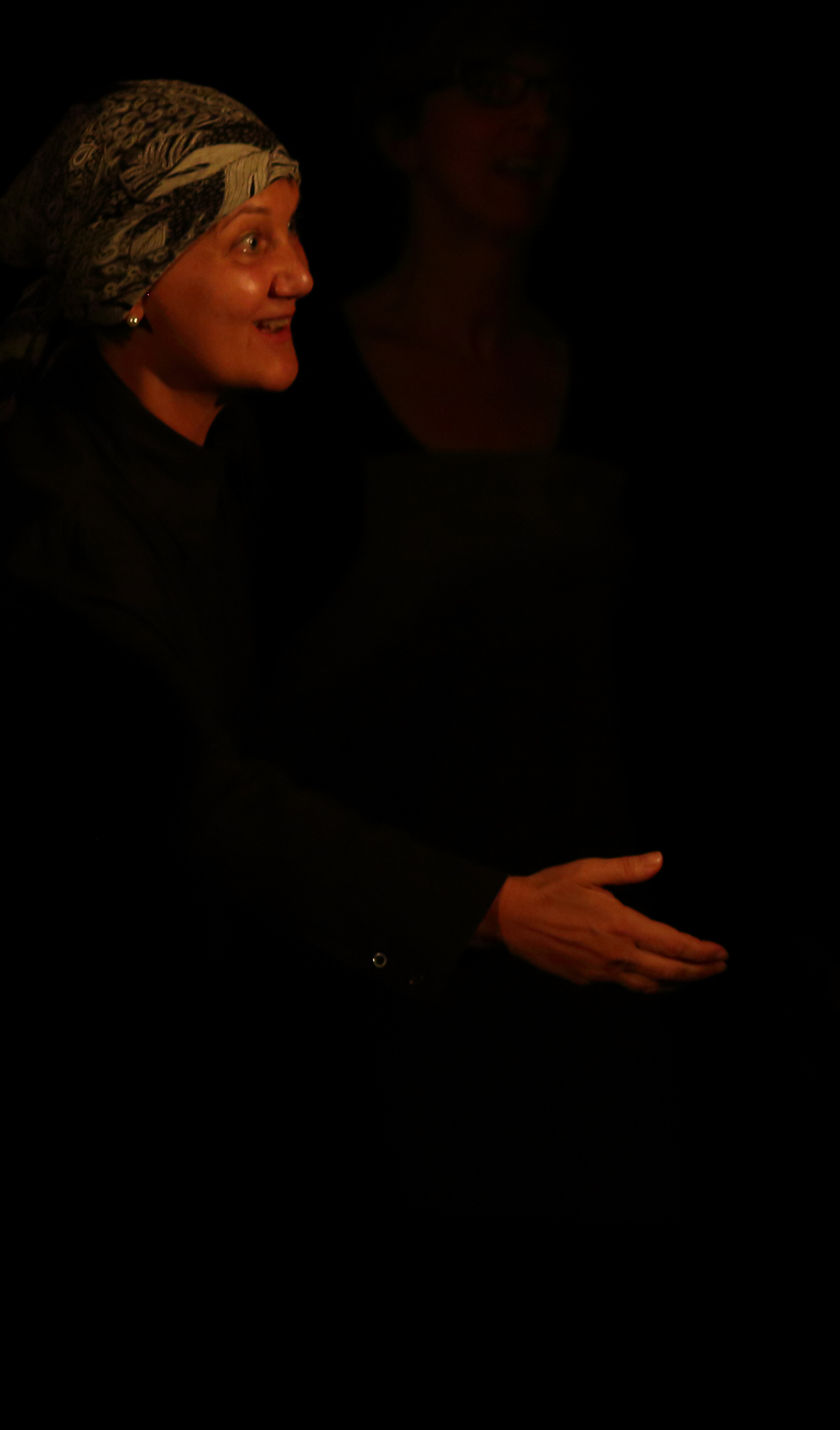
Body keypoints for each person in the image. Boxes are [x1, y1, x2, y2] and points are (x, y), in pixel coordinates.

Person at [0, 81, 725, 1239]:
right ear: (131, 276)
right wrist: (493, 909)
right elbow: (194, 796)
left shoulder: (225, 463)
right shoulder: (58, 513)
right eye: (252, 244)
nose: (299, 275)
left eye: (293, 234)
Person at [250, 0, 678, 1219]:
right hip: (369, 945)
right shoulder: (295, 376)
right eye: (492, 87)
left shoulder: (607, 373)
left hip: (589, 932)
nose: (534, 118)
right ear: (400, 132)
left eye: (554, 95)